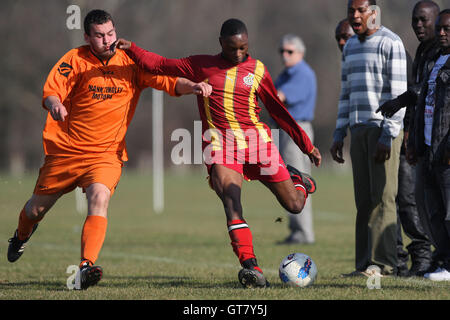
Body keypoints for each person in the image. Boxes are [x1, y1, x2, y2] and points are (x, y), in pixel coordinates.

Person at [6, 9, 212, 290]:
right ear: (88, 37)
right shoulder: (75, 59)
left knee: (99, 197)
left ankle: (85, 267)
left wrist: (194, 87)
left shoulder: (130, 61)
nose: (107, 40)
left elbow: (168, 81)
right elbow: (52, 89)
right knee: (35, 210)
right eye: (100, 35)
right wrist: (55, 104)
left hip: (106, 153)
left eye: (111, 33)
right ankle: (20, 236)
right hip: (67, 151)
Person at [114, 18, 322, 288]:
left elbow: (278, 111)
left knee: (294, 205)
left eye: (243, 48)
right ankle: (251, 266)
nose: (238, 54)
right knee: (231, 201)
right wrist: (131, 47)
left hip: (258, 144)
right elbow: (160, 64)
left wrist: (307, 145)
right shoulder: (201, 65)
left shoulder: (258, 70)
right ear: (220, 43)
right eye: (233, 48)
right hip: (221, 146)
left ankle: (300, 181)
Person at [330, 0, 408, 276]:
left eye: (361, 10)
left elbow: (398, 96)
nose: (355, 15)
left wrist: (387, 135)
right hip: (358, 129)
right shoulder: (350, 46)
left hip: (382, 130)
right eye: (351, 10)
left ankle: (384, 264)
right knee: (363, 201)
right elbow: (346, 94)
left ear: (374, 12)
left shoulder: (391, 43)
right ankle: (364, 264)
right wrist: (340, 131)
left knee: (383, 197)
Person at [377, 1, 441, 277]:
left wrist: (399, 101)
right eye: (415, 20)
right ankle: (423, 259)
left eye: (424, 20)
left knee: (420, 201)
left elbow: (425, 89)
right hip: (417, 138)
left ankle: (428, 259)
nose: (419, 25)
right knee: (411, 199)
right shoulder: (423, 51)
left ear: (438, 22)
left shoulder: (441, 52)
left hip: (436, 141)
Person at [407, 9, 450, 281]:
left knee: (448, 212)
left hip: (447, 151)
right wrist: (413, 141)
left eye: (447, 28)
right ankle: (444, 260)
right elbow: (423, 101)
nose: (442, 32)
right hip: (427, 148)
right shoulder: (434, 59)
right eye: (440, 28)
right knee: (431, 211)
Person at [274, 34, 317, 245]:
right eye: (282, 51)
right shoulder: (286, 74)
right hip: (287, 131)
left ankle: (304, 232)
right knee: (288, 182)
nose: (284, 55)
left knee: (298, 182)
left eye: (289, 51)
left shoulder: (302, 74)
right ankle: (296, 230)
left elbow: (277, 97)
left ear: (300, 53)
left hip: (297, 131)